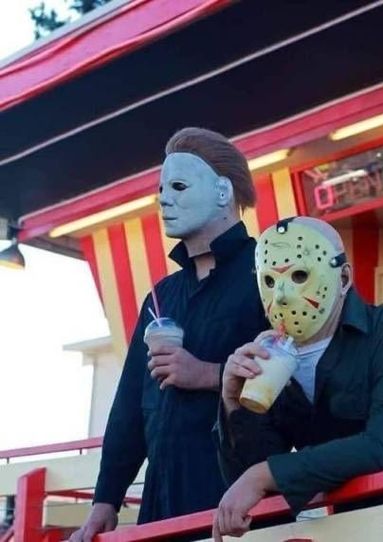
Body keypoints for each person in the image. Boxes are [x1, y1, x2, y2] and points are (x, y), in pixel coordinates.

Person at [212, 216, 383, 540]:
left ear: (344, 277)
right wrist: (233, 405)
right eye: (269, 281)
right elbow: (249, 479)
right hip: (361, 527)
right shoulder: (270, 360)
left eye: (300, 275)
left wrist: (263, 475)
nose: (281, 296)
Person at [70, 127, 269, 542]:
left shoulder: (269, 274)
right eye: (161, 188)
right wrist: (106, 499)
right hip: (161, 507)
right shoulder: (160, 297)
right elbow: (129, 407)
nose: (163, 198)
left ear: (222, 192)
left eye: (178, 185)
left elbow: (306, 373)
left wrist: (207, 374)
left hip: (240, 507)